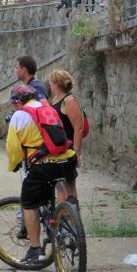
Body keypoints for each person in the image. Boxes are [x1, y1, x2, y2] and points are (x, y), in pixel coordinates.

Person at [5, 83, 77, 263]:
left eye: (14, 103)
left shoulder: (19, 116)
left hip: (43, 164)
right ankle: (70, 228)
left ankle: (35, 249)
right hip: (66, 159)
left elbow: (13, 147)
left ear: (19, 101)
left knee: (29, 203)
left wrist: (14, 164)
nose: (14, 107)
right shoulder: (48, 108)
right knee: (62, 190)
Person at [49, 69, 84, 198]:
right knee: (61, 186)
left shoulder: (69, 101)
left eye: (51, 82)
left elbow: (78, 128)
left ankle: (67, 215)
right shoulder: (55, 100)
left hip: (68, 149)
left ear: (57, 84)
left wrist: (76, 152)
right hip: (58, 148)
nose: (50, 85)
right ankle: (68, 214)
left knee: (66, 187)